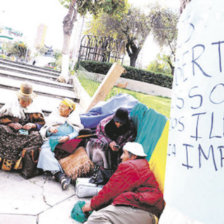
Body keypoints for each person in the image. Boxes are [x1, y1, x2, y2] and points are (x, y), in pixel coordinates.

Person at [82, 142, 165, 224]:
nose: (121, 157)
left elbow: (110, 191)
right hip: (147, 212)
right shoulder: (140, 166)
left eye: (124, 153)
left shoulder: (130, 166)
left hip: (144, 211)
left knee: (97, 218)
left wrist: (91, 205)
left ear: (133, 156)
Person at [37, 98, 83, 190]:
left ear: (70, 110)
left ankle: (58, 175)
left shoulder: (73, 119)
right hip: (52, 140)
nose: (60, 108)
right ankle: (60, 176)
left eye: (63, 107)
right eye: (60, 106)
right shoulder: (54, 117)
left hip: (66, 141)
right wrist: (50, 130)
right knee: (44, 151)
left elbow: (76, 131)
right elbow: (45, 129)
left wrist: (68, 137)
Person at [0, 82, 45, 171]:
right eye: (23, 101)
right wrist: (11, 124)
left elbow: (41, 123)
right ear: (19, 98)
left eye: (28, 101)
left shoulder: (35, 107)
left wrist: (33, 125)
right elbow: (1, 118)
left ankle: (20, 163)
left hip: (26, 134)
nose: (26, 103)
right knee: (1, 129)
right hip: (11, 131)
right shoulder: (11, 105)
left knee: (37, 136)